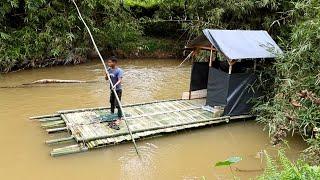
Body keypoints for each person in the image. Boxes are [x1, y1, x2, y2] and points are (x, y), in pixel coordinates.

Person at [105, 56, 123, 129]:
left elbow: (120, 80)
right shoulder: (109, 69)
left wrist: (115, 85)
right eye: (108, 62)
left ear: (114, 63)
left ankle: (119, 118)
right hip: (112, 89)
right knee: (111, 102)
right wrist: (106, 74)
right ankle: (112, 114)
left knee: (118, 104)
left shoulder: (119, 71)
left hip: (118, 90)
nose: (108, 63)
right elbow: (106, 79)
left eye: (110, 62)